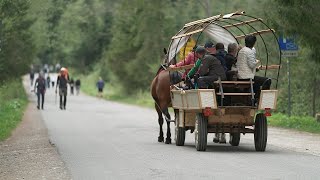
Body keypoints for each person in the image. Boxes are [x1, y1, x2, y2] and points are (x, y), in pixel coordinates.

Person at [236, 35, 271, 102]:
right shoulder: (249, 51)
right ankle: (260, 99)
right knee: (267, 80)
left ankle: (255, 98)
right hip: (247, 78)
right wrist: (256, 61)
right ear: (254, 43)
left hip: (240, 76)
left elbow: (245, 65)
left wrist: (256, 68)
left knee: (257, 82)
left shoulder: (241, 51)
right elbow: (252, 65)